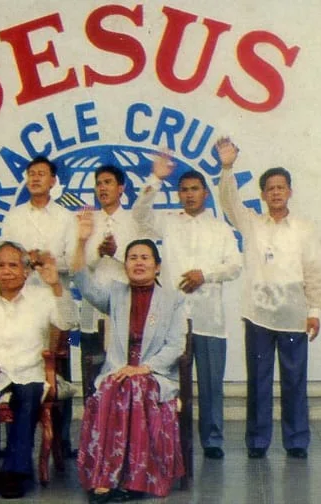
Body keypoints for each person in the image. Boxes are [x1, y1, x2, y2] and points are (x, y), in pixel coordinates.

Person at [216, 137, 321, 459]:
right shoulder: (251, 223)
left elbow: (314, 270)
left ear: (290, 191)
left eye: (281, 187)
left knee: (294, 382)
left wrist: (314, 310)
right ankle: (257, 442)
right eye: (270, 189)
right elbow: (228, 201)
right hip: (258, 316)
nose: (276, 193)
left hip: (293, 315)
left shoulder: (304, 228)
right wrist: (227, 167)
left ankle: (297, 441)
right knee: (259, 382)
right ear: (262, 195)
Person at [72, 210, 186, 502]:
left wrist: (143, 368)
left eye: (145, 258)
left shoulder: (173, 299)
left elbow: (176, 346)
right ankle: (106, 478)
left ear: (157, 267)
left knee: (133, 387)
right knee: (112, 387)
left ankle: (133, 480)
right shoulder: (116, 293)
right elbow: (83, 282)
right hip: (118, 369)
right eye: (132, 258)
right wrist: (81, 242)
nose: (138, 262)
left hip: (155, 373)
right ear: (125, 266)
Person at [132, 156, 240, 459]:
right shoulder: (168, 222)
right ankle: (169, 438)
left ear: (205, 193)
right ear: (178, 194)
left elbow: (235, 266)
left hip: (209, 318)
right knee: (167, 382)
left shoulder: (220, 228)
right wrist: (155, 178)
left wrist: (204, 275)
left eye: (195, 189)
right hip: (173, 319)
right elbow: (139, 215)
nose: (189, 194)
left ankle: (212, 441)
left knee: (210, 383)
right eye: (184, 190)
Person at [0, 241, 76, 499]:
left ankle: (15, 473)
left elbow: (68, 322)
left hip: (30, 371)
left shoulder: (42, 297)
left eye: (13, 265)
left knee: (27, 398)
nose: (6, 271)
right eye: (0, 265)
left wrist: (57, 286)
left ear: (26, 271)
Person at [0, 155, 77, 455]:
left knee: (58, 368)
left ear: (53, 181)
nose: (35, 178)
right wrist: (25, 260)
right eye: (31, 173)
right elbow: (4, 258)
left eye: (41, 174)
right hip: (20, 304)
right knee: (17, 365)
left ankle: (61, 441)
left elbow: (74, 262)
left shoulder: (65, 217)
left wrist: (48, 260)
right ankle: (15, 441)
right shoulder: (14, 217)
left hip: (55, 300)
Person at [77, 166, 139, 400]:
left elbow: (142, 262)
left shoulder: (133, 220)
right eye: (99, 183)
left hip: (125, 306)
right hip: (91, 306)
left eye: (108, 182)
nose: (102, 188)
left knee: (122, 371)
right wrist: (98, 253)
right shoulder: (87, 220)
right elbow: (78, 263)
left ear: (121, 188)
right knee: (90, 366)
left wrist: (116, 253)